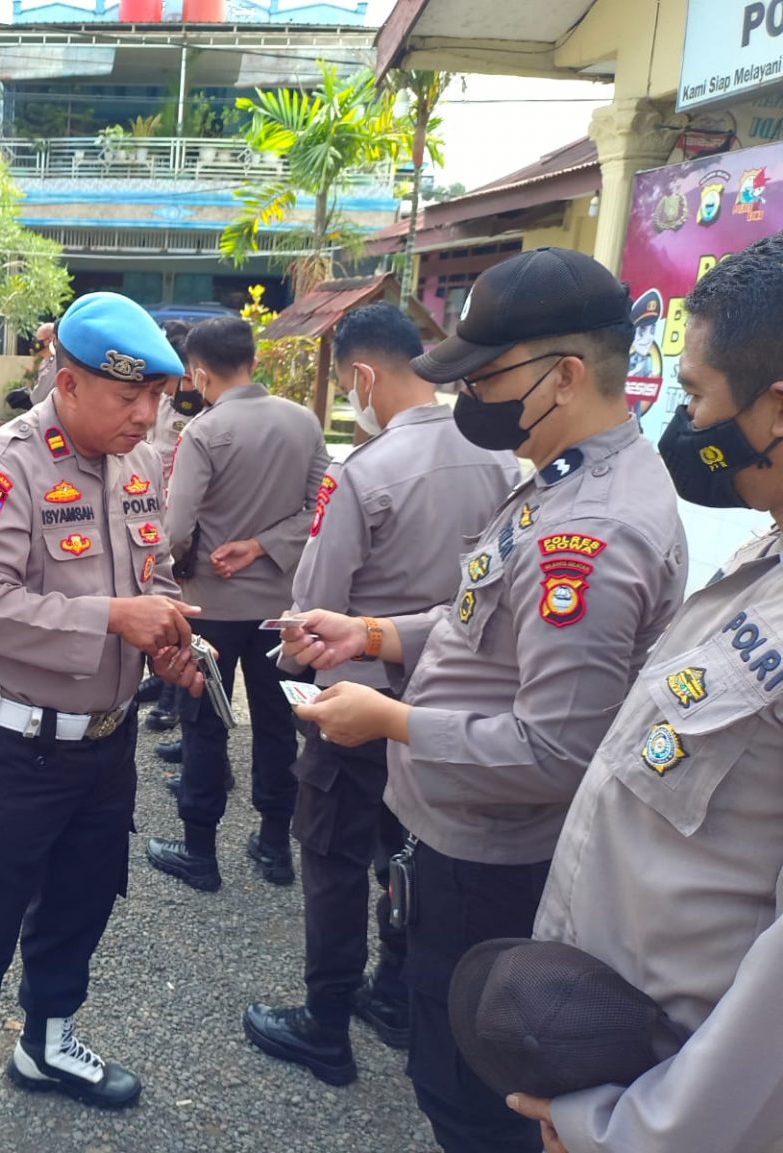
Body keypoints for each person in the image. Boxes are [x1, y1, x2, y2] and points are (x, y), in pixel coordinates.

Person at [282, 247, 687, 1153]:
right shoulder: (557, 476)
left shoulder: (592, 532)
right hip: (457, 838)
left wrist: (387, 718)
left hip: (491, 861)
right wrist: (371, 635)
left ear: (565, 375)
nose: (468, 396)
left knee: (471, 1098)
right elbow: (479, 623)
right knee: (446, 1062)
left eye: (486, 375)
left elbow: (554, 751)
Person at [506, 233, 783, 1153]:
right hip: (618, 1057)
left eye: (696, 396)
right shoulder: (764, 557)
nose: (686, 424)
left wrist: (624, 1130)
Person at [0, 291, 204, 1153]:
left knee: (81, 902)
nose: (146, 415)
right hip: (14, 746)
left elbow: (156, 576)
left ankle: (44, 1042)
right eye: (129, 397)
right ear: (67, 383)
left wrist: (169, 638)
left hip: (105, 743)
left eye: (158, 397)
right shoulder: (0, 468)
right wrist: (114, 619)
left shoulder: (138, 461)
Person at [242, 303, 518, 1086]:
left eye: (347, 384)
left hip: (357, 701)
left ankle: (325, 1021)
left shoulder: (364, 470)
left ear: (362, 375)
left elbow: (316, 598)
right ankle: (394, 990)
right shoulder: (502, 457)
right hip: (451, 701)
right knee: (409, 848)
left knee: (332, 853)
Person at [144, 315, 329, 892]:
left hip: (211, 607)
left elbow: (176, 528)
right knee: (277, 725)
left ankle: (200, 852)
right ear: (253, 361)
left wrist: (169, 573)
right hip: (280, 607)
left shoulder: (204, 432)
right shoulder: (304, 422)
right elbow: (321, 512)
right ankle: (275, 845)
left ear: (198, 373)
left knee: (204, 725)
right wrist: (264, 546)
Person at [143, 318, 194, 739]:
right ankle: (158, 679)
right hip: (148, 505)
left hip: (180, 515)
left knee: (177, 604)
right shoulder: (157, 399)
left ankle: (172, 698)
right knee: (148, 595)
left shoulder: (199, 406)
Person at [28, 320, 59, 404]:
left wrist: (29, 397)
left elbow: (39, 397)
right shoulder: (44, 362)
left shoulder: (58, 362)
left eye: (38, 340)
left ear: (51, 339)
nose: (35, 344)